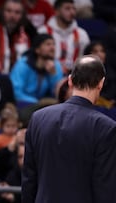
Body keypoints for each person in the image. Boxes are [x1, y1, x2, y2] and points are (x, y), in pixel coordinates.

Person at [22, 55, 116, 203]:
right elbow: (104, 187)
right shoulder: (106, 127)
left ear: (70, 81)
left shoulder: (38, 118)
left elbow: (29, 180)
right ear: (101, 83)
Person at [38, 0, 90, 74]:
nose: (72, 12)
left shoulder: (82, 34)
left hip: (74, 77)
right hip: (47, 74)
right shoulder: (43, 31)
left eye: (74, 9)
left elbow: (86, 60)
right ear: (56, 11)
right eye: (67, 8)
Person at [10, 33, 63, 105]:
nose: (52, 48)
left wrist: (53, 75)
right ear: (37, 50)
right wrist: (36, 103)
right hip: (23, 103)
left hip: (44, 103)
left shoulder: (56, 65)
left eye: (53, 44)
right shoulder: (24, 64)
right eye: (48, 44)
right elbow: (16, 92)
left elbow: (58, 93)